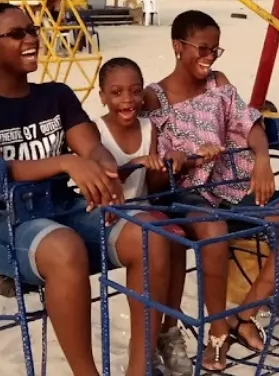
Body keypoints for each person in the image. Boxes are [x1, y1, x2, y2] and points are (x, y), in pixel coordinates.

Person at [0, 3, 173, 376]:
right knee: (64, 247)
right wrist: (64, 162)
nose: (31, 38)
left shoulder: (56, 96)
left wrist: (104, 168)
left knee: (151, 233)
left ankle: (140, 366)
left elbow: (91, 147)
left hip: (63, 208)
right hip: (4, 224)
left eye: (32, 30)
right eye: (16, 34)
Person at [143, 10, 279, 370]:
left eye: (215, 50)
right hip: (189, 192)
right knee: (214, 232)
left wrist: (261, 159)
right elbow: (155, 165)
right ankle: (217, 334)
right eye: (202, 48)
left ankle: (245, 314)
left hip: (232, 181)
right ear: (178, 46)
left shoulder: (217, 82)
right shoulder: (155, 96)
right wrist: (186, 159)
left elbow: (249, 122)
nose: (209, 57)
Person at [96, 57, 192, 376]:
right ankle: (144, 350)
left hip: (142, 209)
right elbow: (99, 183)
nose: (127, 100)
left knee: (177, 239)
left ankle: (165, 332)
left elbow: (153, 188)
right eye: (117, 93)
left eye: (135, 92)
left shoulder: (148, 127)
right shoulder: (94, 131)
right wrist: (135, 162)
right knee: (154, 239)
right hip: (108, 213)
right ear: (103, 96)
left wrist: (170, 163)